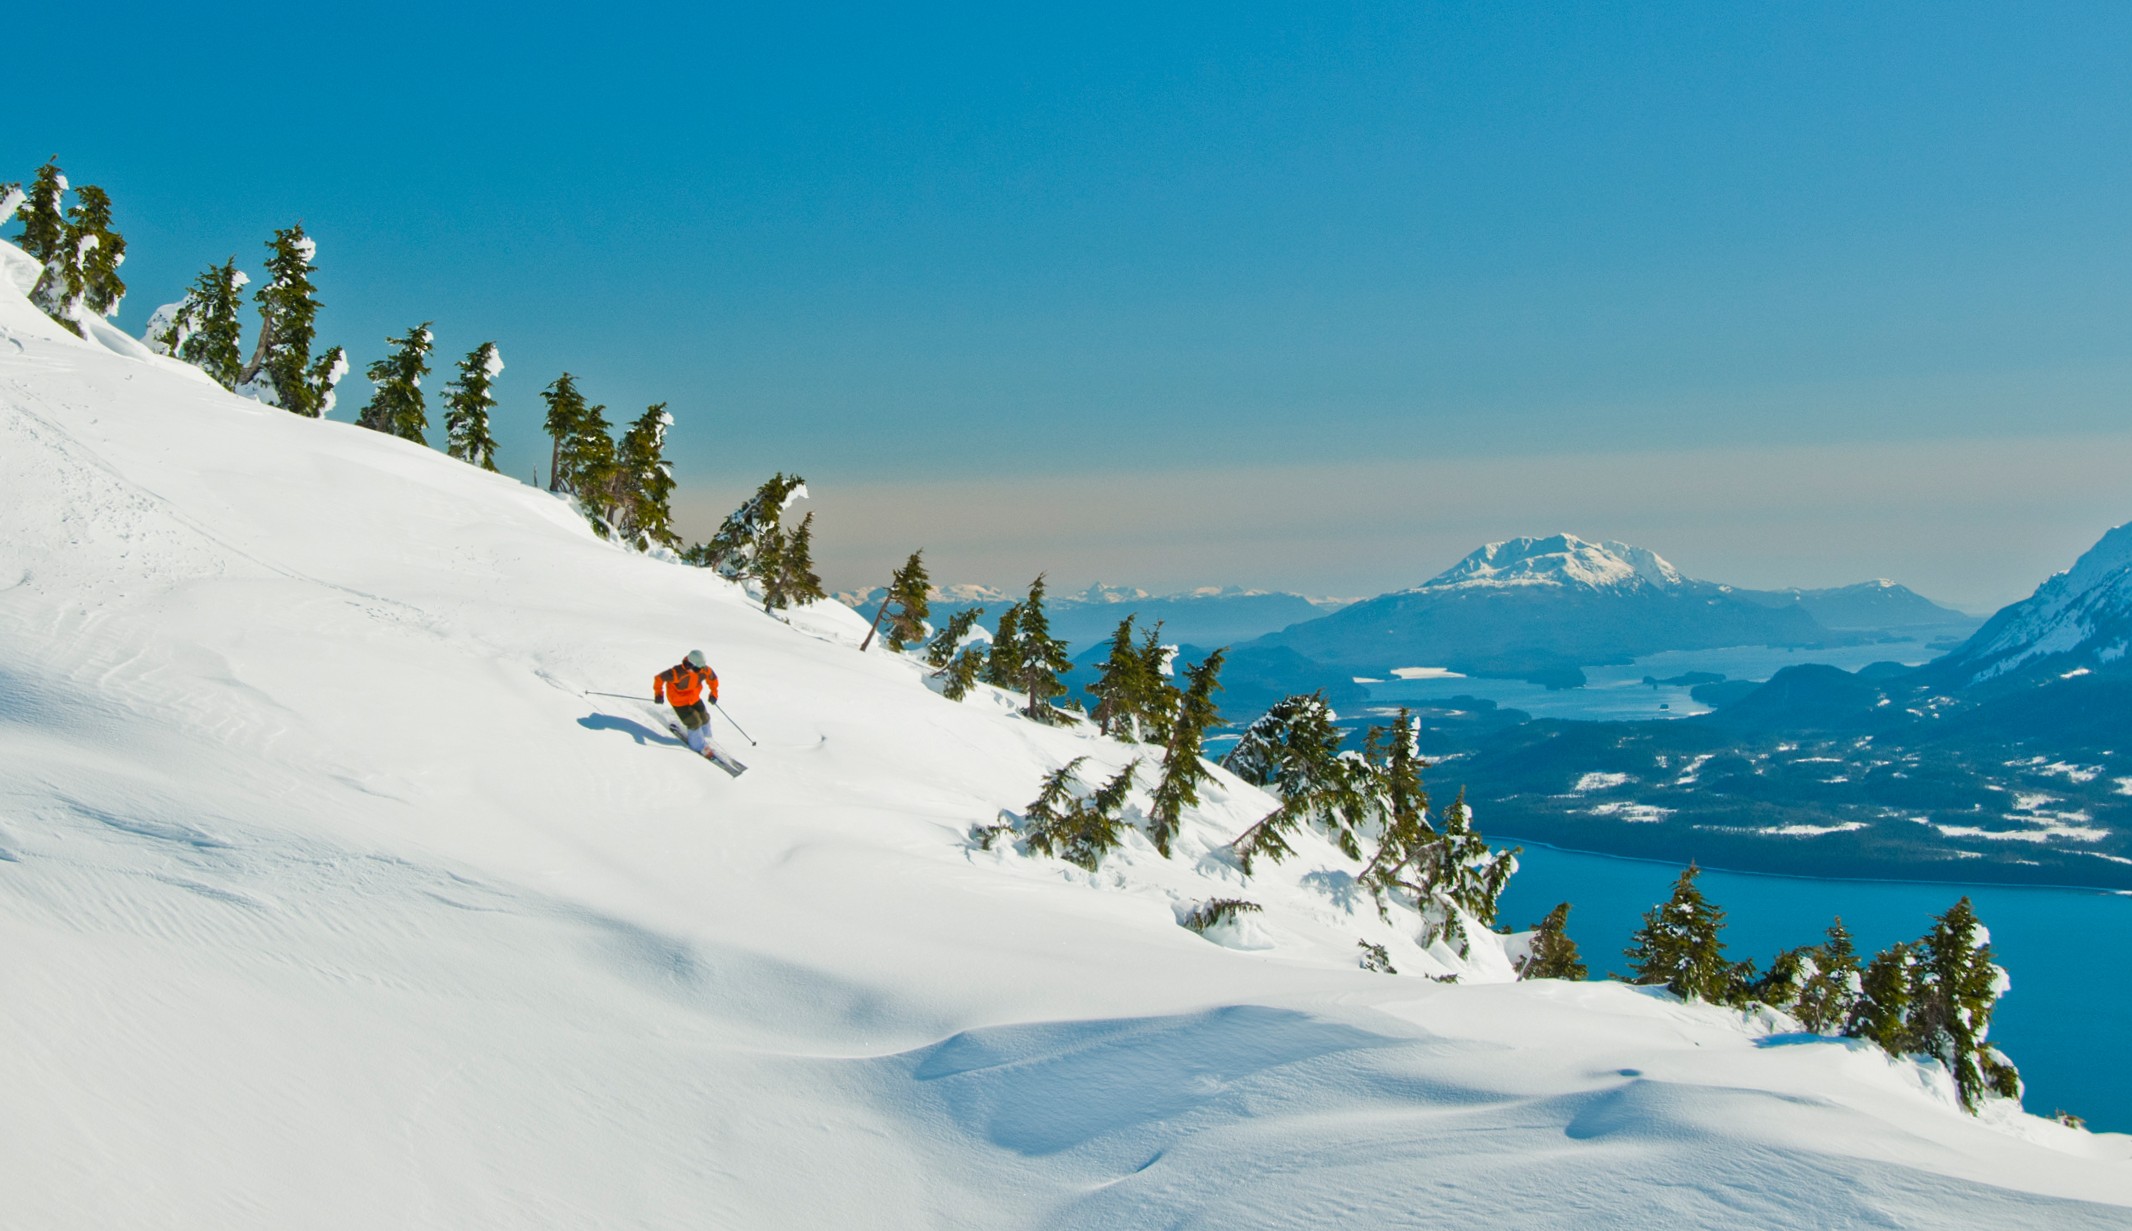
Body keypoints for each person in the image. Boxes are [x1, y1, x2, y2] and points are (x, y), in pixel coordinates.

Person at [654, 649, 719, 754]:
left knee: (704, 717)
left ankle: (707, 740)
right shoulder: (677, 673)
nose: (701, 670)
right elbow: (659, 678)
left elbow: (713, 678)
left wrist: (714, 693)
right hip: (679, 701)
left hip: (693, 697)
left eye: (702, 667)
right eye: (698, 668)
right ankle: (698, 746)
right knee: (694, 721)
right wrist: (658, 694)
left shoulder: (703, 669)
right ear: (690, 665)